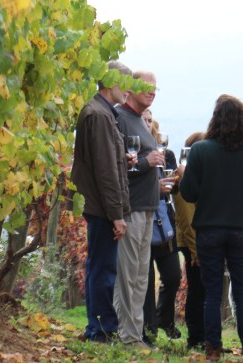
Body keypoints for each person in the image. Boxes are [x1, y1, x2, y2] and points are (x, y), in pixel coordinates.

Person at [178, 95, 243, 363]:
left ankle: (213, 349)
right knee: (242, 291)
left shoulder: (201, 151)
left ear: (215, 118)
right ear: (242, 120)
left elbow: (188, 192)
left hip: (209, 230)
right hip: (241, 230)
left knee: (212, 292)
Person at [71, 60, 131, 343]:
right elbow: (105, 171)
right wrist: (116, 214)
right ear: (111, 82)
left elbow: (107, 162)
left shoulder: (101, 112)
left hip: (98, 204)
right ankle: (101, 330)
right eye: (126, 84)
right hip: (101, 207)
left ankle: (98, 328)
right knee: (103, 269)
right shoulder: (99, 115)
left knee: (99, 266)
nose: (129, 91)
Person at [114, 71, 164, 347]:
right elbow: (117, 166)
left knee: (141, 277)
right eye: (146, 87)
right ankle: (128, 336)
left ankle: (134, 335)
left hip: (148, 206)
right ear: (130, 88)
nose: (152, 92)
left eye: (156, 88)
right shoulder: (120, 118)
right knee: (129, 274)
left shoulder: (141, 121)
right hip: (130, 207)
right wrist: (147, 162)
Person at [141, 112, 182, 342]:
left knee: (173, 276)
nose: (146, 123)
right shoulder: (133, 155)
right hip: (144, 224)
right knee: (145, 281)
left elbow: (174, 190)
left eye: (149, 120)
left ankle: (163, 319)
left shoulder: (166, 155)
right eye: (143, 120)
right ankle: (150, 329)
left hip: (164, 225)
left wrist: (176, 180)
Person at [171, 131, 206, 350]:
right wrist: (196, 252)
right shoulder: (186, 178)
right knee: (198, 290)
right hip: (194, 244)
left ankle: (200, 336)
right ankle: (196, 338)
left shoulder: (193, 175)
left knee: (200, 289)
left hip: (195, 243)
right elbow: (188, 219)